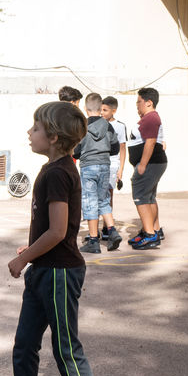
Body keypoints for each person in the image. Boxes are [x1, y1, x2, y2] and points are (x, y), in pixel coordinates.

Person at [0, 101, 113, 376]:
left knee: (66, 347)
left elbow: (58, 232)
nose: (30, 132)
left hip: (59, 272)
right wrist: (32, 251)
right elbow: (53, 229)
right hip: (44, 269)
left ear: (54, 137)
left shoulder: (58, 173)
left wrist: (23, 258)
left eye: (36, 128)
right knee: (25, 342)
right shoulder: (52, 169)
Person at [75, 93, 121, 252]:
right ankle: (112, 231)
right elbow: (115, 148)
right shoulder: (108, 125)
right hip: (104, 166)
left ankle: (94, 240)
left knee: (90, 202)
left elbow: (76, 151)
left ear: (85, 108)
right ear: (101, 108)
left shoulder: (82, 127)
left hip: (88, 166)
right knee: (103, 200)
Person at [127, 87, 166, 249]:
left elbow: (151, 142)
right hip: (154, 163)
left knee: (141, 197)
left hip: (150, 164)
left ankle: (150, 235)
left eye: (139, 102)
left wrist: (142, 165)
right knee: (149, 197)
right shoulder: (150, 118)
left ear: (149, 102)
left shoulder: (151, 118)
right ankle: (153, 230)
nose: (137, 105)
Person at [100, 95, 127, 202]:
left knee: (109, 194)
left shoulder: (120, 126)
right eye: (100, 109)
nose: (101, 112)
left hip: (112, 165)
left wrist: (121, 169)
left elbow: (122, 148)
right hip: (98, 163)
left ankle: (108, 213)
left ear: (114, 111)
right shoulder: (96, 124)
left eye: (105, 110)